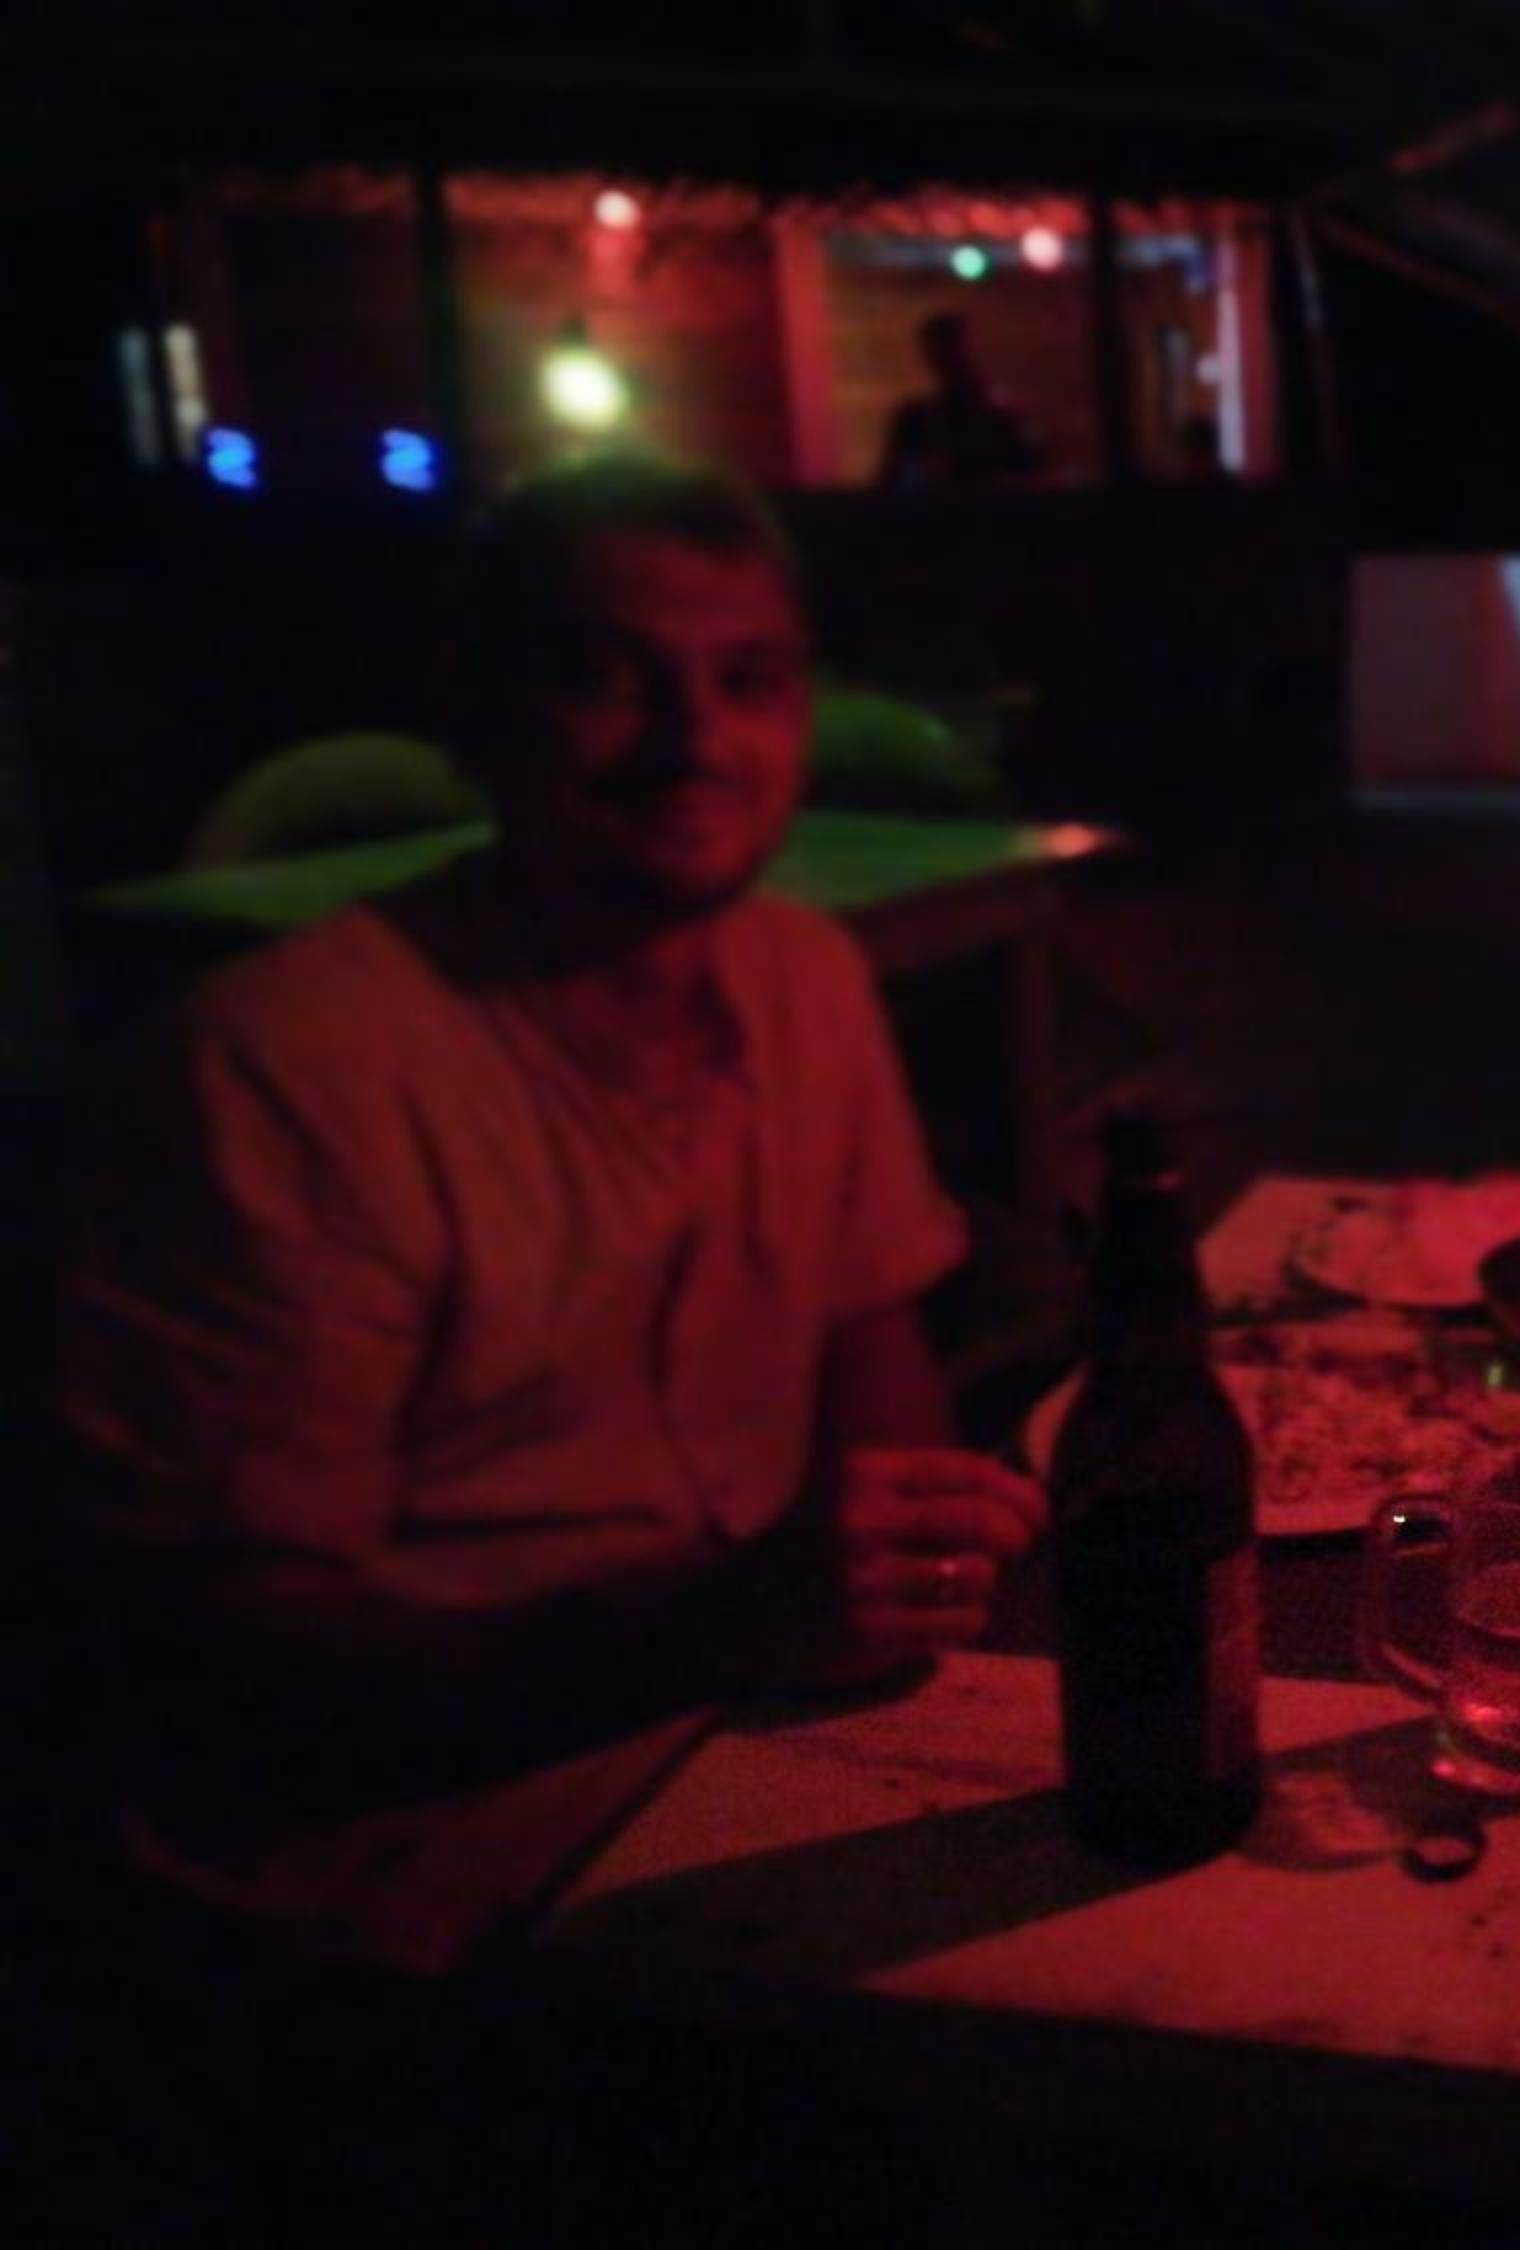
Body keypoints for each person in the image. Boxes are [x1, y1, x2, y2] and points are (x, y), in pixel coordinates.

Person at [55, 452, 1044, 1970]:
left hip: (742, 1738)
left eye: (749, 681)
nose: (693, 742)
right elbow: (223, 1678)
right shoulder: (284, 1071)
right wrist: (727, 1622)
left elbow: (872, 1332)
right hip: (405, 1866)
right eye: (602, 676)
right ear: (470, 711)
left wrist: (900, 1590)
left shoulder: (805, 975)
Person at [878, 311, 1044, 489]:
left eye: (954, 351)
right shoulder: (916, 419)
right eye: (941, 352)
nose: (950, 360)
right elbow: (896, 478)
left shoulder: (1004, 415)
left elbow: (1034, 466)